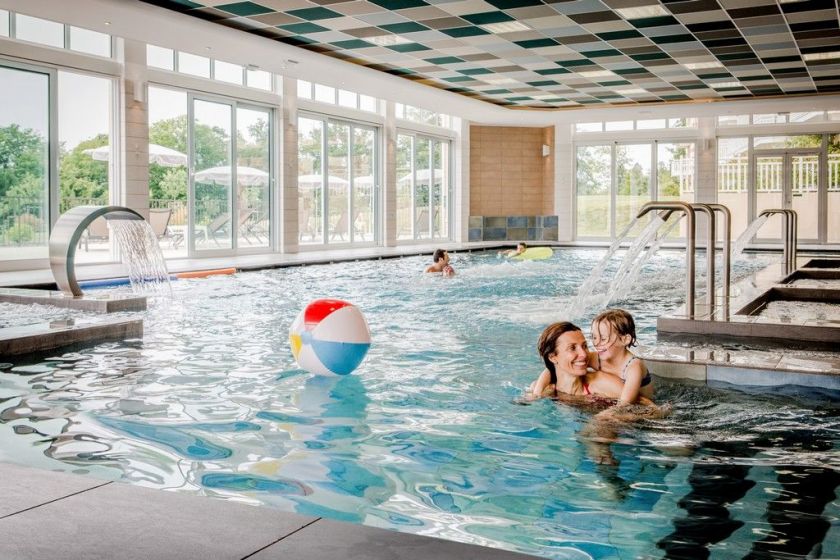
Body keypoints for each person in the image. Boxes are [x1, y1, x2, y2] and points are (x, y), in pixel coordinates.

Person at [529, 321, 650, 403]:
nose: (584, 354)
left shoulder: (601, 383)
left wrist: (610, 419)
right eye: (572, 348)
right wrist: (537, 393)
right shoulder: (544, 389)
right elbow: (549, 370)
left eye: (585, 346)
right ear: (553, 357)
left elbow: (651, 408)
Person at [590, 309, 654, 403]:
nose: (596, 343)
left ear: (625, 340)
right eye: (594, 337)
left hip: (640, 408)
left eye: (603, 339)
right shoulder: (597, 359)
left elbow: (625, 403)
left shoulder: (633, 367)